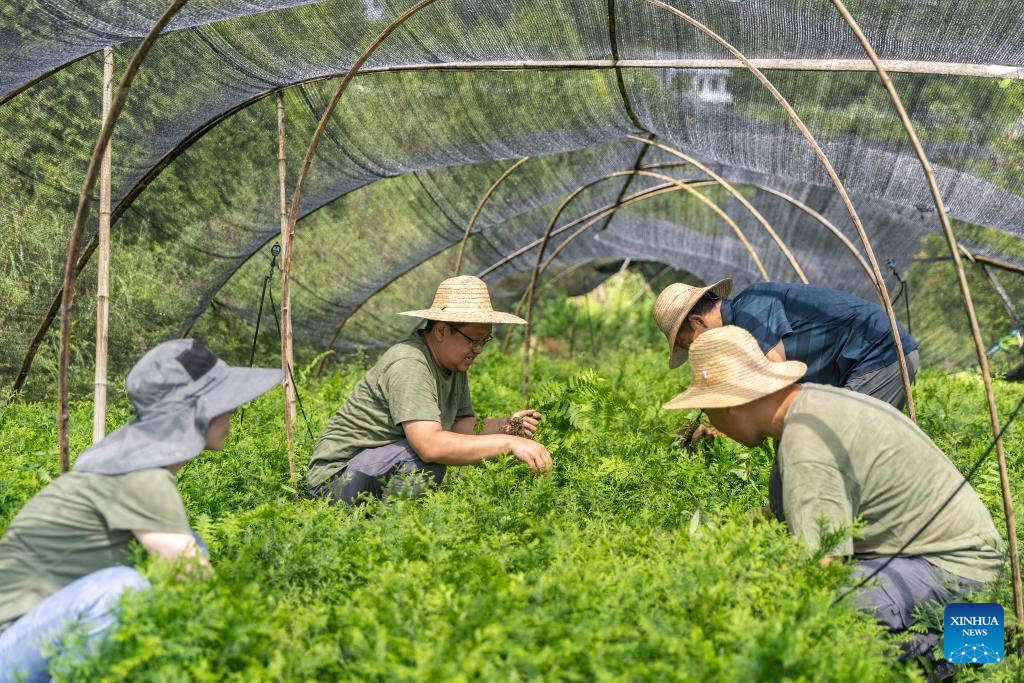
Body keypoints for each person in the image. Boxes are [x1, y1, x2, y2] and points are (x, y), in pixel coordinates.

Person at [663, 325, 1002, 667]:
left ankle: (969, 654)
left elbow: (818, 572)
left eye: (708, 409)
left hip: (958, 574)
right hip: (954, 558)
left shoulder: (806, 445)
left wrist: (746, 595)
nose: (711, 421)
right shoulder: (814, 403)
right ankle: (975, 645)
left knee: (824, 612)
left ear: (730, 405)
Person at [0, 340, 282, 682]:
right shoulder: (141, 476)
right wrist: (268, 658)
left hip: (39, 632)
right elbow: (198, 587)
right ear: (196, 412)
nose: (234, 412)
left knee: (189, 544)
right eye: (225, 403)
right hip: (11, 650)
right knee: (122, 591)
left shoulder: (138, 466)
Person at [308, 275, 553, 506]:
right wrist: (507, 444)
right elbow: (430, 445)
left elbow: (457, 425)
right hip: (335, 481)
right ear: (441, 331)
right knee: (423, 462)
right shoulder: (410, 363)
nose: (478, 350)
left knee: (423, 458)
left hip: (372, 467)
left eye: (484, 341)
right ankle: (388, 535)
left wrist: (506, 426)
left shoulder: (454, 364)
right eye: (473, 340)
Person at [653, 279, 920, 410]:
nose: (699, 351)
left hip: (880, 354)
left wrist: (727, 417)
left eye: (692, 344)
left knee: (844, 442)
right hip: (864, 362)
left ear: (699, 321)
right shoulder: (744, 321)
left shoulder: (751, 308)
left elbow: (776, 380)